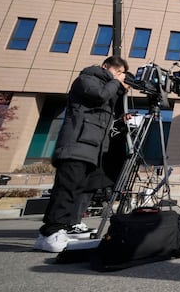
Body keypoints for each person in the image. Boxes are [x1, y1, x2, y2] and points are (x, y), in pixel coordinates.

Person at [34, 56, 129, 253]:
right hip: (76, 145)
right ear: (105, 67)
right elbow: (99, 95)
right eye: (118, 72)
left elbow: (107, 114)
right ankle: (50, 232)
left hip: (92, 148)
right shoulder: (87, 79)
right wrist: (115, 83)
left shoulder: (109, 86)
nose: (120, 77)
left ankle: (66, 226)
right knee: (66, 188)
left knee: (81, 188)